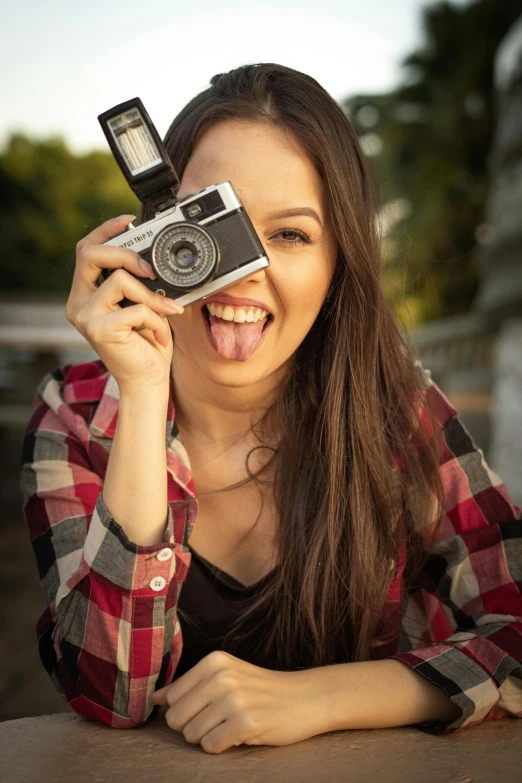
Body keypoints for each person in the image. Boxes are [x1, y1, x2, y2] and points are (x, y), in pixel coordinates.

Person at [20, 63, 522, 754]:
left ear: (338, 261)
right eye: (209, 225)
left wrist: (327, 696)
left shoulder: (394, 412)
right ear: (151, 234)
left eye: (288, 235)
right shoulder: (76, 414)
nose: (240, 270)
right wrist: (140, 393)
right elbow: (108, 693)